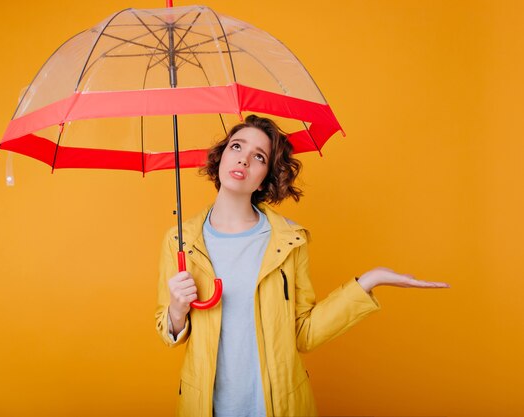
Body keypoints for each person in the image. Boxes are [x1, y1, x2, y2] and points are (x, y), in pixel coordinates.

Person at [154, 115, 449, 417]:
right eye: (236, 147)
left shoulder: (289, 240)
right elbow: (168, 331)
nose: (243, 160)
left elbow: (304, 332)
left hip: (280, 406)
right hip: (206, 407)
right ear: (220, 157)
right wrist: (177, 310)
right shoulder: (180, 240)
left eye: (258, 156)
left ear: (265, 178)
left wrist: (369, 281)